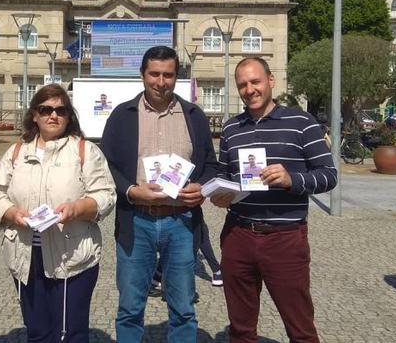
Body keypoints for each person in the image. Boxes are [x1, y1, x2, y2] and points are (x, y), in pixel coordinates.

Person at [211, 57, 337, 343]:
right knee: (241, 328)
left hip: (285, 238)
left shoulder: (301, 122)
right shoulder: (231, 128)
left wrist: (292, 179)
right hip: (238, 234)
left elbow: (328, 176)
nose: (249, 89)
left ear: (270, 81)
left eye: (255, 81)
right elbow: (223, 172)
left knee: (300, 327)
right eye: (242, 84)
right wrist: (220, 193)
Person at [100, 45, 219, 343]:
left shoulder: (194, 115)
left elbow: (211, 166)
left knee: (183, 308)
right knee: (130, 307)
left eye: (168, 75)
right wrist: (131, 190)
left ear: (176, 77)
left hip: (181, 222)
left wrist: (201, 187)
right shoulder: (122, 115)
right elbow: (106, 165)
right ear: (142, 75)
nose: (160, 81)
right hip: (136, 221)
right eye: (154, 74)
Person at [0, 84, 116, 342]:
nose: (53, 116)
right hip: (26, 256)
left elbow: (106, 194)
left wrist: (77, 209)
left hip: (72, 255)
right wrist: (11, 213)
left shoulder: (85, 151)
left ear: (69, 116)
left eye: (60, 110)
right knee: (38, 331)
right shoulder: (17, 152)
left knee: (71, 332)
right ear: (35, 114)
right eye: (45, 109)